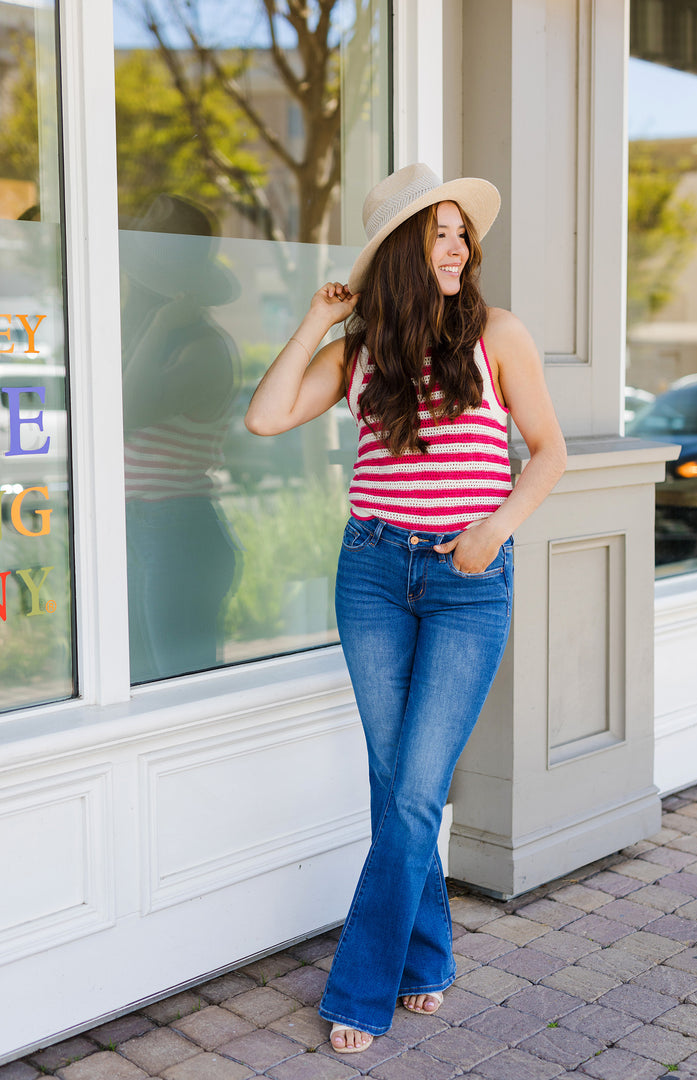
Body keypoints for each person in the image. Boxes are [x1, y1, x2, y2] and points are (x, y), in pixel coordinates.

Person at [244, 163, 567, 1053]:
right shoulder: (359, 353)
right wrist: (321, 316)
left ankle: (361, 985)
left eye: (464, 233)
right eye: (439, 233)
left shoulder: (500, 335)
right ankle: (425, 959)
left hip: (468, 583)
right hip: (374, 574)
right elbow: (266, 417)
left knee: (416, 789)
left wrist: (494, 528)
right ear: (399, 253)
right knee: (398, 786)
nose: (459, 247)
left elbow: (548, 452)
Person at [120, 195, 243, 682]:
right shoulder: (148, 343)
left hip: (176, 531)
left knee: (177, 687)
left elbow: (125, 413)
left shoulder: (203, 350)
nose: (129, 287)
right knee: (136, 680)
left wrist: (156, 329)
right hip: (140, 524)